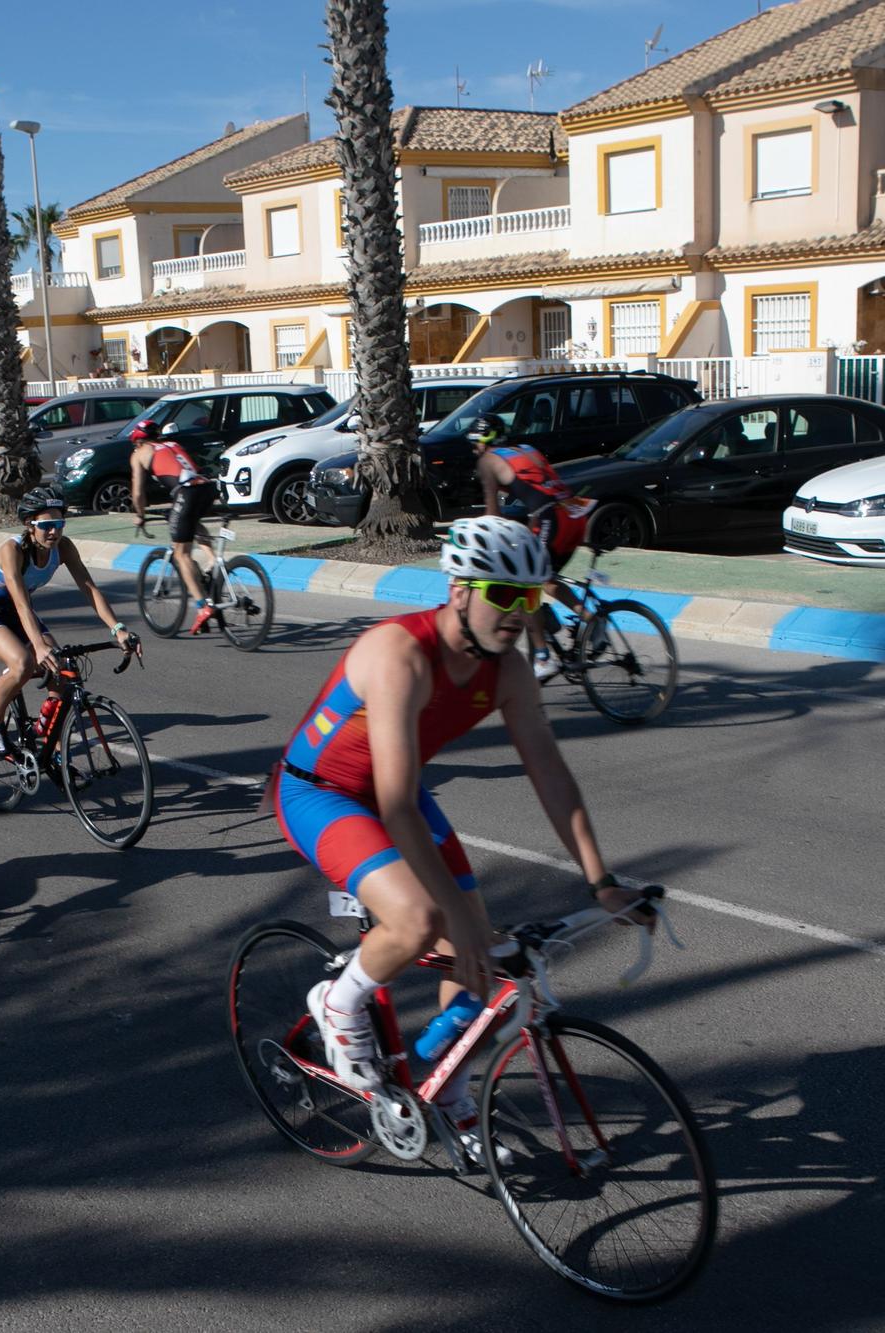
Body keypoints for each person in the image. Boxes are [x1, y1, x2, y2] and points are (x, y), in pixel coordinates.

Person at [271, 516, 645, 1158]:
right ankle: (339, 1000)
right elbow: (392, 804)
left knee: (485, 960)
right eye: (504, 596)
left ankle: (449, 1094)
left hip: (399, 791)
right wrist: (457, 922)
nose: (518, 615)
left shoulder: (508, 669)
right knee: (419, 920)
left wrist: (602, 880)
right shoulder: (400, 655)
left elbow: (549, 772)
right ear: (461, 589)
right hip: (320, 792)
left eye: (530, 599)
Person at [0, 486, 137, 753]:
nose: (54, 532)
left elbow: (89, 588)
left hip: (18, 613)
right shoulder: (11, 551)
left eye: (59, 524)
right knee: (23, 663)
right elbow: (22, 603)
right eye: (47, 525)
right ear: (29, 524)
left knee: (61, 668)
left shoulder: (64, 548)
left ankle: (51, 741)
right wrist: (39, 646)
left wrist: (118, 629)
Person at [470, 415, 597, 682]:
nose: (473, 450)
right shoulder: (526, 449)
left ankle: (542, 657)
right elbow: (541, 493)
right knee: (547, 580)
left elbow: (493, 516)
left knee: (522, 588)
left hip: (553, 518)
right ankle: (594, 621)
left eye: (474, 443)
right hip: (574, 513)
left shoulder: (487, 462)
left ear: (483, 442)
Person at [131, 425, 223, 634]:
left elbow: (137, 491)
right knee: (192, 522)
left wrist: (140, 515)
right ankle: (212, 560)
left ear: (137, 442)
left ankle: (202, 607)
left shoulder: (139, 453)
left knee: (181, 555)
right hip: (207, 488)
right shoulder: (172, 444)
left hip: (187, 492)